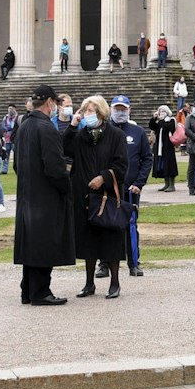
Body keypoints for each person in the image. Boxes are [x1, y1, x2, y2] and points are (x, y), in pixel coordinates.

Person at [12, 89, 75, 306]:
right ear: (49, 102)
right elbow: (55, 167)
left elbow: (16, 164)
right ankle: (40, 291)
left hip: (28, 193)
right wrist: (66, 187)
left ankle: (28, 290)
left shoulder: (25, 125)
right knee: (44, 242)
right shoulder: (46, 127)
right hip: (45, 195)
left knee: (31, 242)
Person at [65, 96, 128, 299]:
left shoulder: (116, 135)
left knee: (111, 239)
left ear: (101, 113)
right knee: (88, 240)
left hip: (107, 195)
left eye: (90, 111)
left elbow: (121, 165)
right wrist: (72, 126)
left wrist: (103, 177)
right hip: (85, 195)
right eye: (85, 111)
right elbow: (65, 148)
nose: (86, 115)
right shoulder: (81, 135)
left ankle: (115, 282)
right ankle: (89, 283)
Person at [109, 97, 151, 278]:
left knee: (131, 226)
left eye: (123, 109)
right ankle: (105, 263)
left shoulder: (137, 132)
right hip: (109, 189)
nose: (120, 112)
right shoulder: (105, 130)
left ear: (129, 110)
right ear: (111, 110)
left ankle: (134, 262)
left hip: (131, 189)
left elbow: (147, 159)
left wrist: (139, 183)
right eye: (117, 109)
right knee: (107, 225)